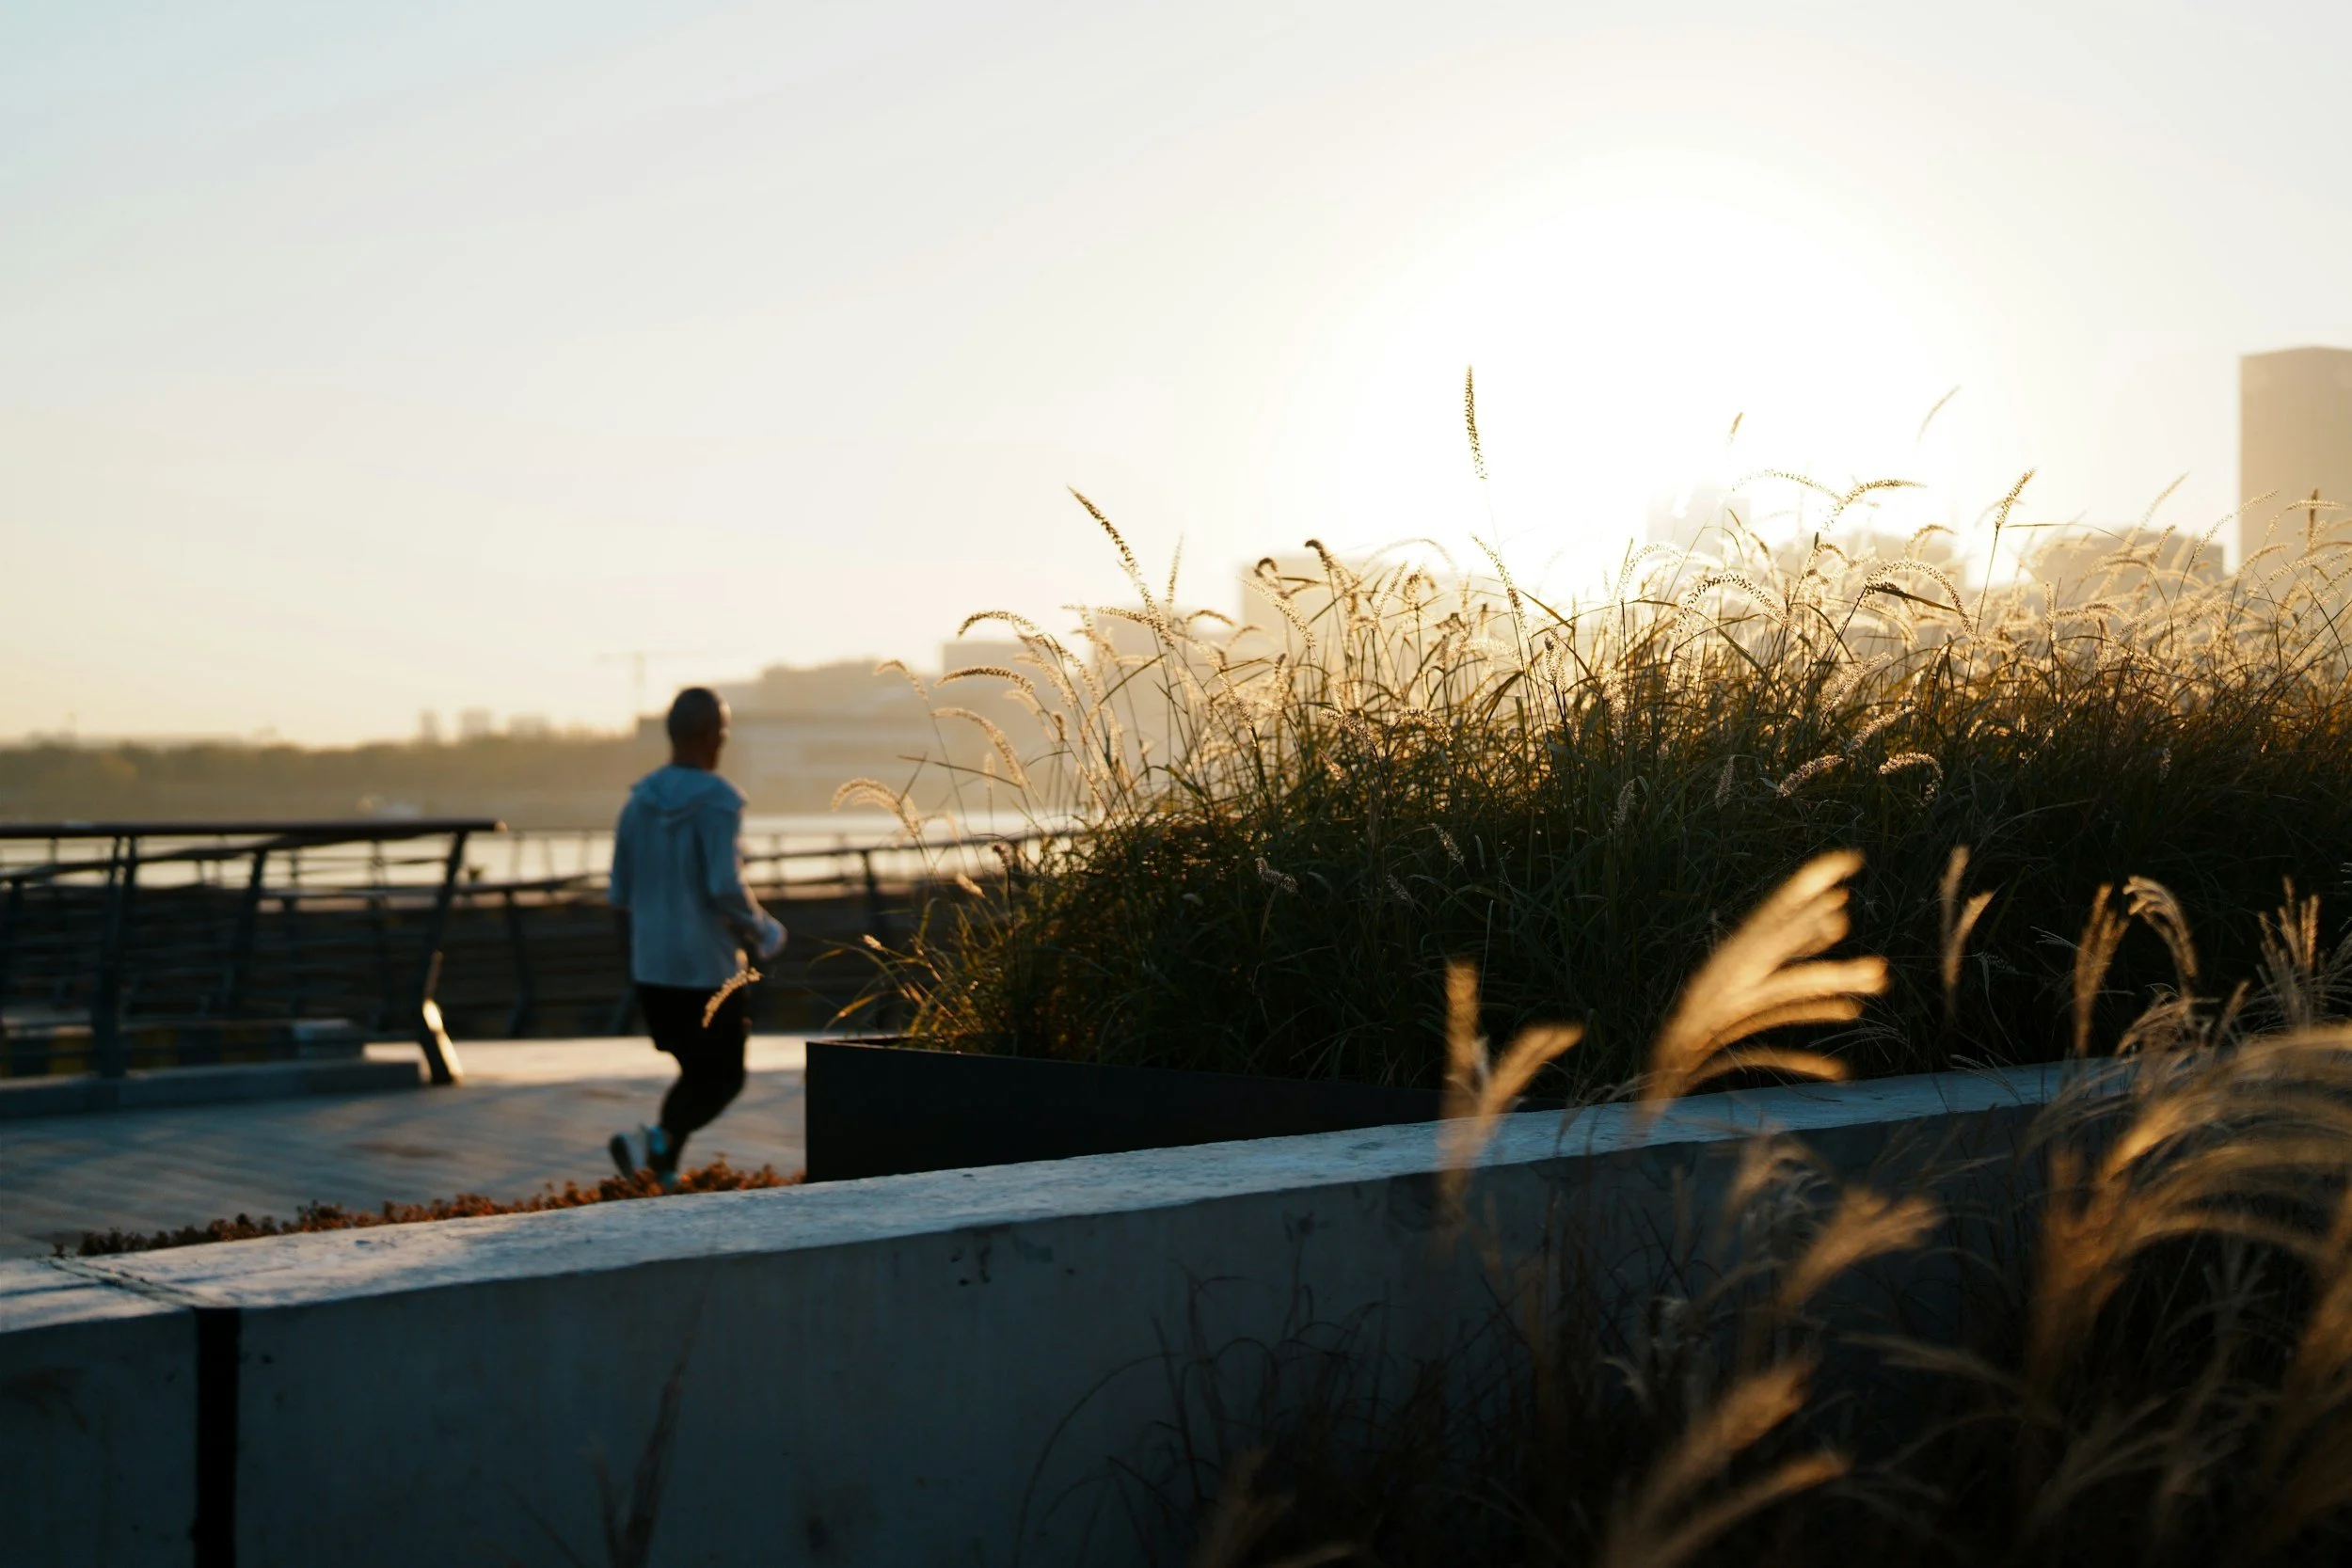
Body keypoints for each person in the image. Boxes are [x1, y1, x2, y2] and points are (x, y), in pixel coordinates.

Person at [606, 687, 787, 1186]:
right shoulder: (719, 801)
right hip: (707, 968)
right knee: (725, 1078)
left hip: (654, 970)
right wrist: (762, 929)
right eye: (723, 733)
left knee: (694, 1071)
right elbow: (724, 885)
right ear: (711, 736)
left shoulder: (637, 804)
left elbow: (619, 891)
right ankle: (650, 1143)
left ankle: (659, 1171)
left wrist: (634, 964)